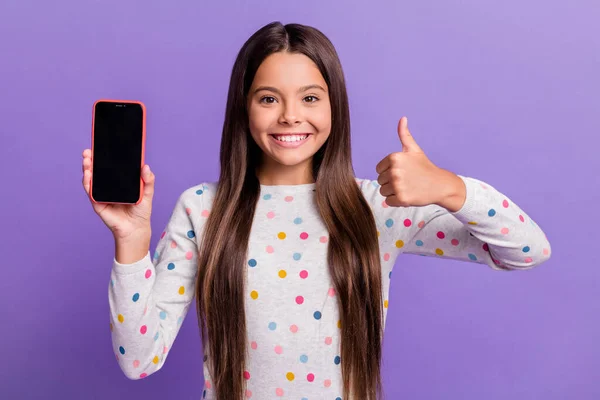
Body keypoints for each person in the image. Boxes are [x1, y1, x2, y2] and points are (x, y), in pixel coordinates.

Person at [81, 21, 551, 400]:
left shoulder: (376, 208)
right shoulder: (204, 209)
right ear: (244, 109)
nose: (290, 115)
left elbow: (527, 250)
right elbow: (139, 359)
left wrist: (450, 188)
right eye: (268, 98)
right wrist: (131, 241)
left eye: (310, 97)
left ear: (334, 107)